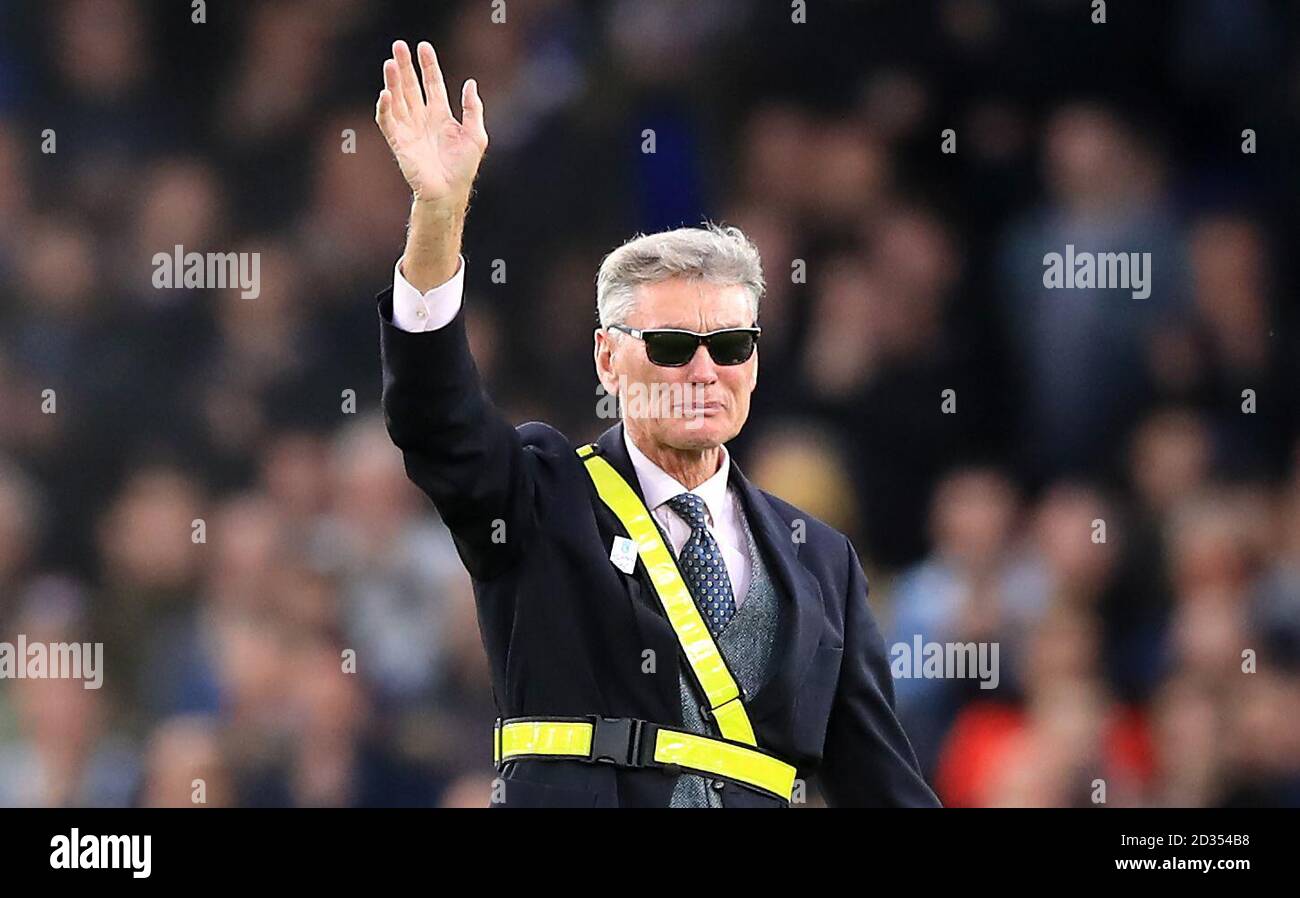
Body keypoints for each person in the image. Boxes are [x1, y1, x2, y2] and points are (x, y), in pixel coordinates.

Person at [373, 39, 939, 807]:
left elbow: (886, 788)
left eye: (732, 345)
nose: (705, 371)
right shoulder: (541, 494)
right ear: (608, 360)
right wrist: (438, 215)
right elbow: (437, 419)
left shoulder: (824, 562)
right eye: (673, 347)